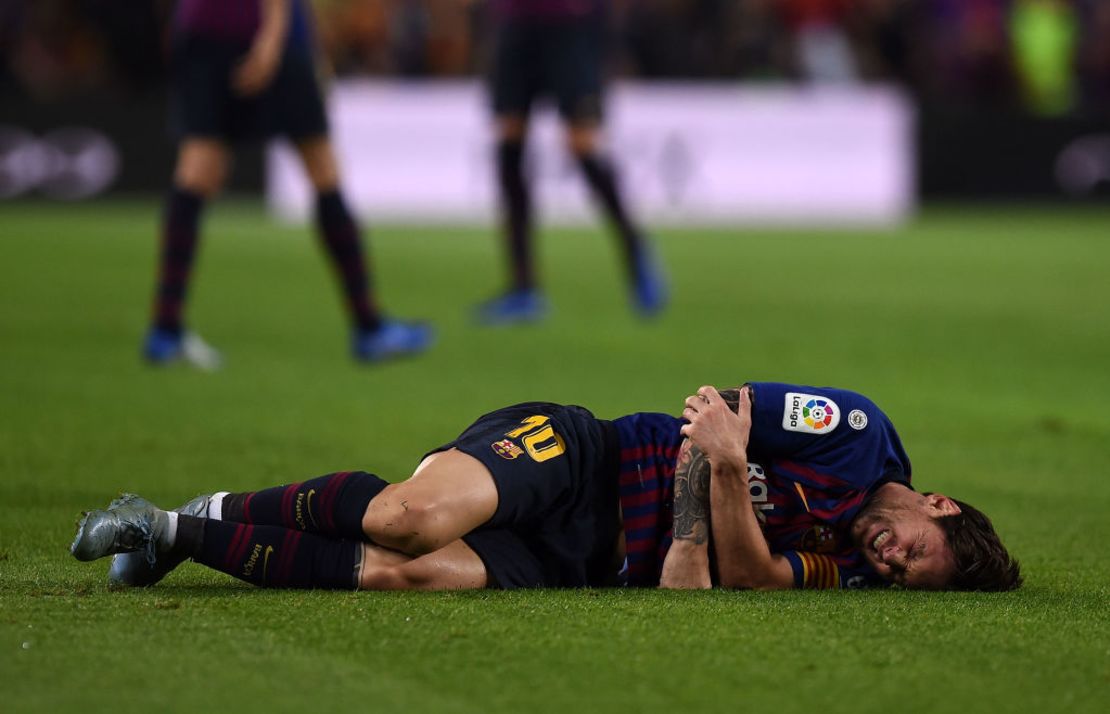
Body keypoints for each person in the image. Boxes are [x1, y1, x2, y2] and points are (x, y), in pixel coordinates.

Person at [71, 382, 1021, 592]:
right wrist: (695, 538)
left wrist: (731, 480)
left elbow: (760, 580)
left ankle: (168, 534)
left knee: (413, 576)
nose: (891, 565)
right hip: (585, 458)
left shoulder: (845, 566)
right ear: (935, 503)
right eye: (916, 553)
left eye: (905, 582)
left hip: (577, 558)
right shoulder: (853, 438)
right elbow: (709, 419)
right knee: (412, 518)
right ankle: (210, 508)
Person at [145, 0, 432, 369]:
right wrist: (273, 37)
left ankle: (165, 329)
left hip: (200, 30)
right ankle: (369, 326)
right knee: (322, 168)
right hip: (262, 29)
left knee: (197, 170)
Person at [475, 0, 668, 325]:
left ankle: (635, 252)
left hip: (569, 22)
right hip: (516, 20)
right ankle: (523, 286)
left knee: (581, 145)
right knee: (509, 138)